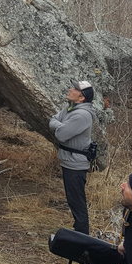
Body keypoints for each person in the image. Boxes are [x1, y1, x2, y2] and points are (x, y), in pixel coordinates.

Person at [49, 79, 96, 234]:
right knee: (73, 200)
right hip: (69, 161)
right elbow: (52, 120)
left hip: (76, 164)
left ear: (81, 97)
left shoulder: (82, 115)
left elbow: (61, 135)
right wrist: (61, 125)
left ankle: (82, 236)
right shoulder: (70, 108)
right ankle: (79, 233)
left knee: (77, 202)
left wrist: (60, 126)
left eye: (74, 89)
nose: (70, 89)